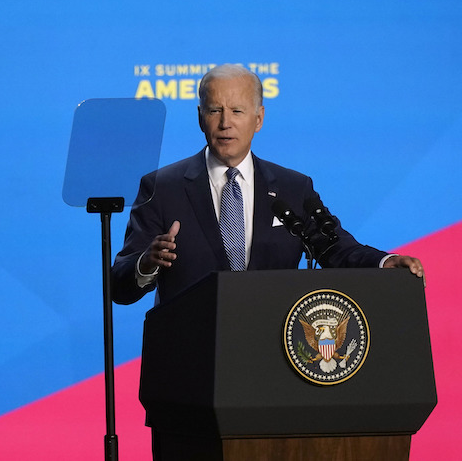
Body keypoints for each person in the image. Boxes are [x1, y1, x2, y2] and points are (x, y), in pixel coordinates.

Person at [111, 63, 424, 307]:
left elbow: (335, 248)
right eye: (215, 110)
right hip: (189, 358)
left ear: (258, 119)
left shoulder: (292, 187)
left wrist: (384, 262)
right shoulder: (162, 187)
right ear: (199, 117)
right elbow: (119, 286)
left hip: (272, 356)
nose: (225, 123)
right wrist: (146, 263)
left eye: (237, 111)